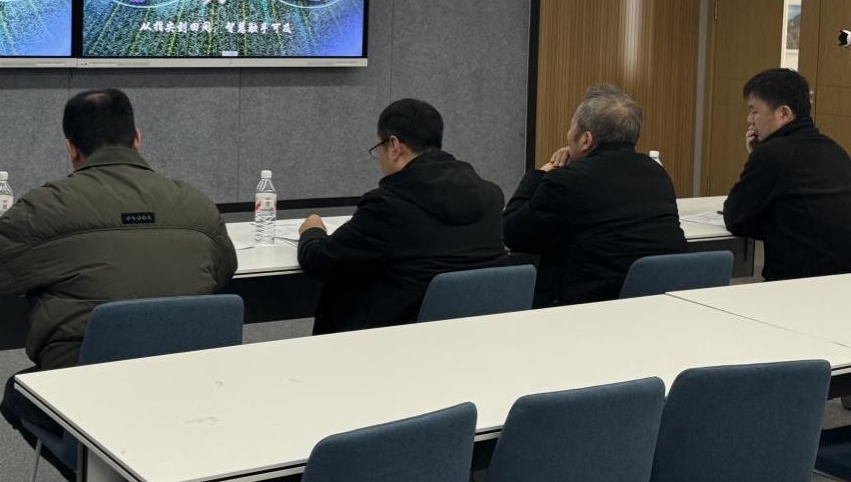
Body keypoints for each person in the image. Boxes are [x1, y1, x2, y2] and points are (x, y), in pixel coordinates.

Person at [0, 88, 237, 479]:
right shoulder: (197, 204)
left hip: (90, 399)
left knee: (18, 393)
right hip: (193, 391)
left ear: (71, 148)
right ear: (137, 138)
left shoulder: (46, 207)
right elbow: (223, 271)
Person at [296, 99, 507, 335]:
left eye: (378, 149)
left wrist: (312, 230)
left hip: (394, 341)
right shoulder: (492, 196)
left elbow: (318, 260)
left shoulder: (387, 206)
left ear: (394, 146)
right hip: (476, 336)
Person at [504, 85, 686, 306]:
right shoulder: (657, 173)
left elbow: (512, 233)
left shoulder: (567, 181)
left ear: (586, 140)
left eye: (571, 128)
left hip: (587, 309)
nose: (568, 135)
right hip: (656, 304)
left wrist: (541, 173)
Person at [723, 68, 851, 280]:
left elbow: (736, 218)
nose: (749, 119)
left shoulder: (772, 154)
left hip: (798, 283)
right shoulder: (834, 149)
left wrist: (758, 155)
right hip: (841, 282)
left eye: (754, 111)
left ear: (784, 113)